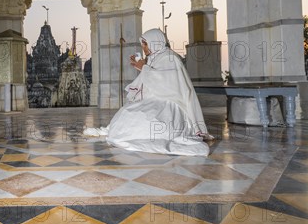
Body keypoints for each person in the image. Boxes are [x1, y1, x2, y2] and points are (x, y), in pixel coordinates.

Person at [84, 28, 212, 156]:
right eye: (143, 44)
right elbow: (152, 77)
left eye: (145, 44)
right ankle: (114, 130)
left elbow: (169, 84)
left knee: (146, 120)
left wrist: (144, 68)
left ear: (155, 42)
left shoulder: (170, 58)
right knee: (128, 111)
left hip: (169, 103)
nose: (143, 47)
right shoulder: (154, 57)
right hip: (153, 99)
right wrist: (142, 66)